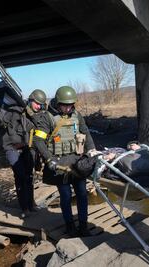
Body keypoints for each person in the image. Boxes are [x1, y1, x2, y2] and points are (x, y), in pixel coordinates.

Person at [33, 86, 96, 237]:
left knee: (82, 194)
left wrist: (92, 150)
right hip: (60, 163)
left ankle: (83, 226)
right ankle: (70, 226)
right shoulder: (47, 118)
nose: (68, 108)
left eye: (70, 105)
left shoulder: (77, 115)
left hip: (77, 161)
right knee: (66, 196)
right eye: (65, 105)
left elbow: (85, 131)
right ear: (58, 102)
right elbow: (38, 140)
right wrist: (49, 158)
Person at [2, 89, 47, 218]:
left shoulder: (35, 115)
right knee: (20, 176)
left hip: (27, 148)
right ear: (31, 100)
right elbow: (4, 122)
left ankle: (31, 204)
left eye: (41, 104)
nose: (39, 106)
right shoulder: (16, 111)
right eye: (37, 103)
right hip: (13, 149)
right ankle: (24, 207)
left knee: (29, 177)